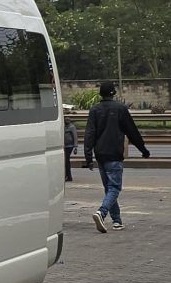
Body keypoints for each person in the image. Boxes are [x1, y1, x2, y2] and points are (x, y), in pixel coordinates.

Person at [83, 81, 150, 232]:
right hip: (114, 154)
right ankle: (102, 212)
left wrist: (88, 157)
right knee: (114, 188)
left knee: (109, 189)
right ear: (113, 93)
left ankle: (117, 221)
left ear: (100, 94)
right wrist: (143, 149)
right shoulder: (120, 109)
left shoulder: (94, 110)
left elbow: (89, 134)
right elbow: (132, 131)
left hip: (100, 155)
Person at [63, 115, 78, 182]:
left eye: (67, 120)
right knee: (66, 161)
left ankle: (69, 177)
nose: (66, 121)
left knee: (66, 161)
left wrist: (75, 147)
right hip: (64, 146)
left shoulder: (72, 127)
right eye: (65, 120)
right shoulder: (64, 127)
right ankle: (67, 176)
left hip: (70, 146)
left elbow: (75, 137)